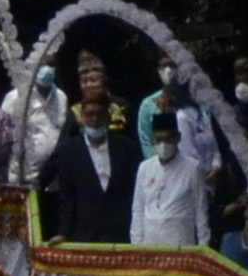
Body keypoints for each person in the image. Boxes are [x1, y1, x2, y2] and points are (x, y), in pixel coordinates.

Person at [38, 66, 131, 242]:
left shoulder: (126, 149)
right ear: (82, 118)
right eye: (89, 115)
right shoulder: (69, 152)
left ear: (108, 116)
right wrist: (64, 232)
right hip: (85, 235)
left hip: (121, 235)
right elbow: (67, 197)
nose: (95, 120)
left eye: (99, 115)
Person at [133, 104, 210, 248]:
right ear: (152, 139)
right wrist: (136, 245)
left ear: (178, 137)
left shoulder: (192, 167)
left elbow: (201, 211)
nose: (163, 144)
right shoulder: (145, 168)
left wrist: (203, 246)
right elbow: (138, 209)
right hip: (150, 244)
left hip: (180, 242)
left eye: (168, 139)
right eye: (159, 139)